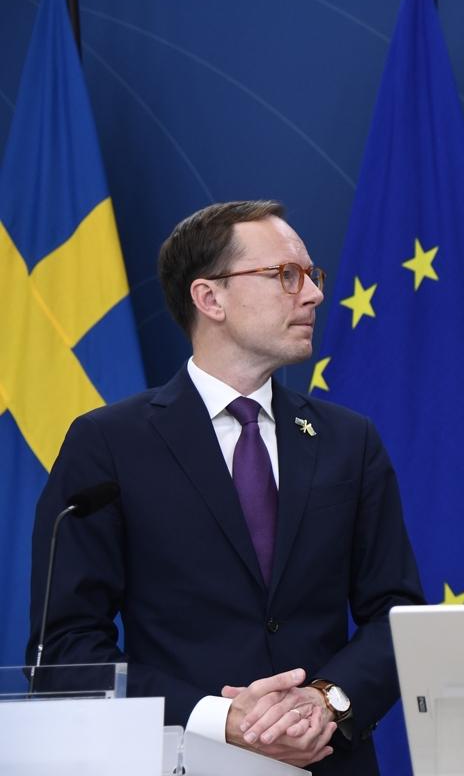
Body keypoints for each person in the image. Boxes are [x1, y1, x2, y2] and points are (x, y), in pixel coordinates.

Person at [28, 200, 424, 773]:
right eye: (286, 276)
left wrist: (328, 701)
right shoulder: (109, 444)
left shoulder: (349, 441)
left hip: (327, 760)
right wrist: (222, 719)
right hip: (181, 759)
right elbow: (65, 650)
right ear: (209, 298)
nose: (312, 295)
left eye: (312, 277)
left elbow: (397, 614)